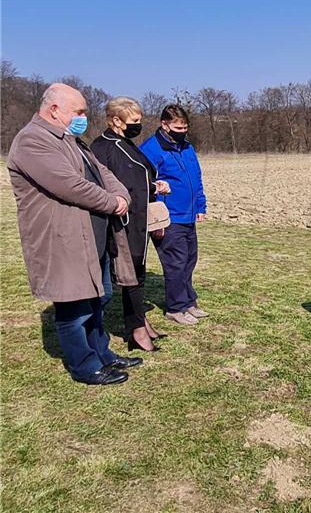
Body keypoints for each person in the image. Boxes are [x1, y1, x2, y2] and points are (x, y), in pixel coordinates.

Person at [6, 83, 143, 385]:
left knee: (98, 298)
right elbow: (70, 185)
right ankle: (84, 364)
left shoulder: (72, 139)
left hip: (91, 236)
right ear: (54, 110)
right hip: (62, 240)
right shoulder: (33, 141)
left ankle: (102, 354)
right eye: (78, 111)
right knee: (74, 306)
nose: (83, 117)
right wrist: (112, 203)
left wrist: (121, 196)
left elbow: (104, 174)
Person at [91, 97, 171, 351]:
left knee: (139, 272)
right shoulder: (103, 147)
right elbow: (114, 184)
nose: (139, 125)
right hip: (123, 221)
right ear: (117, 120)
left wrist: (154, 186)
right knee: (131, 274)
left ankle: (140, 322)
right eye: (134, 121)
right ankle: (136, 331)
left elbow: (139, 176)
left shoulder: (125, 143)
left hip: (140, 217)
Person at [140, 104, 209, 326]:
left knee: (189, 260)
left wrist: (200, 207)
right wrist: (156, 219)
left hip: (188, 215)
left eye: (185, 127)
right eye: (178, 127)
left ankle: (188, 301)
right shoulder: (151, 149)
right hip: (167, 217)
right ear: (165, 125)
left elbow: (196, 179)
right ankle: (176, 308)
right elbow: (143, 183)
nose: (182, 131)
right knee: (175, 263)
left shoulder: (187, 147)